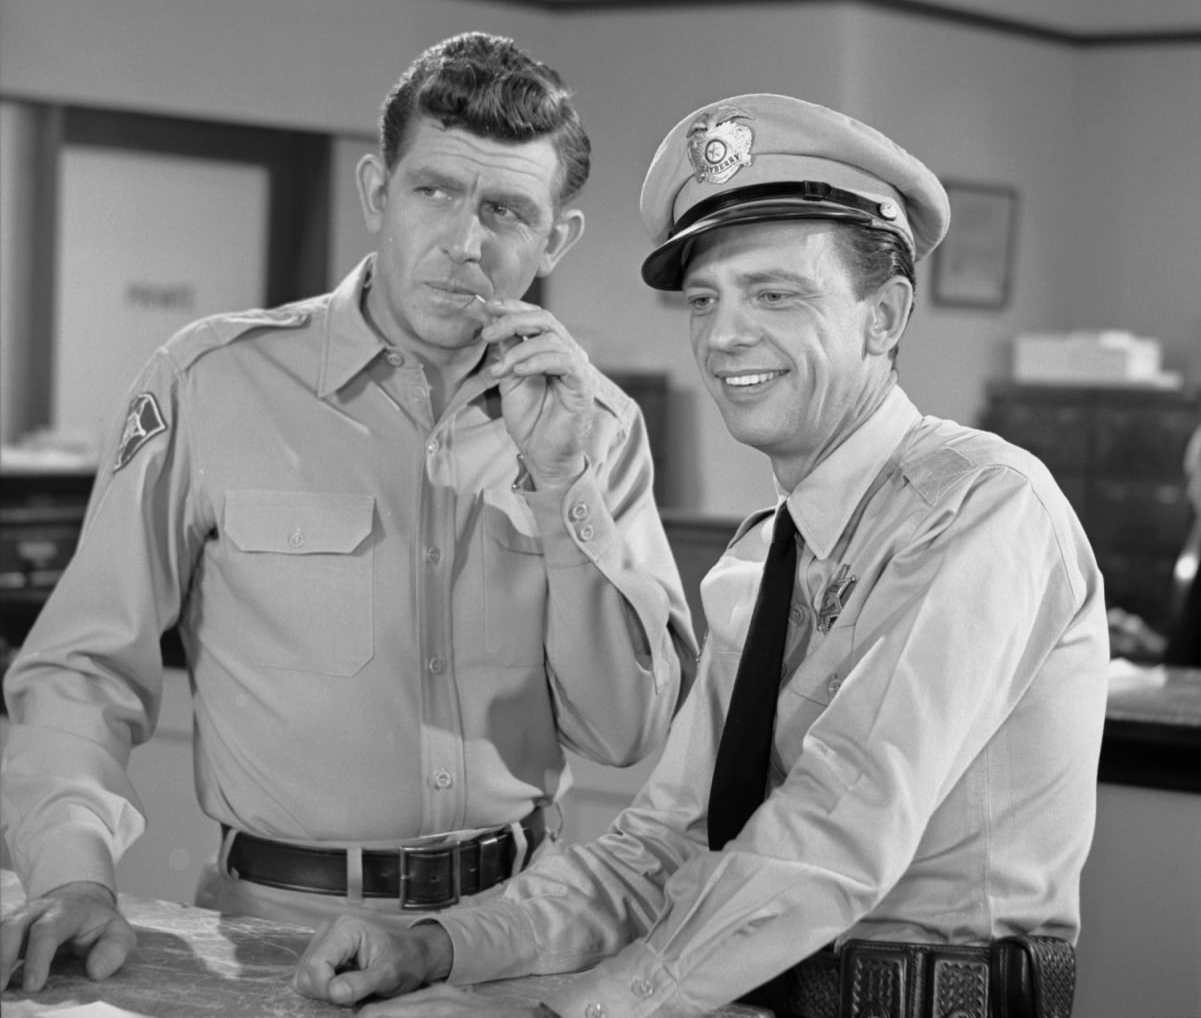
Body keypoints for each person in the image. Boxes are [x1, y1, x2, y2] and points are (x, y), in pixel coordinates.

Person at [291, 94, 1110, 1018]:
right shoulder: (763, 561)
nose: (723, 337)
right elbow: (658, 853)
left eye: (774, 294)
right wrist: (437, 947)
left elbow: (836, 830)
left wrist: (567, 1016)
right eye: (704, 299)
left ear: (882, 315)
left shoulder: (981, 507)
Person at [0, 32, 698, 993]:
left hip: (514, 942)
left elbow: (624, 732)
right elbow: (82, 668)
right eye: (434, 191)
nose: (465, 241)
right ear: (377, 192)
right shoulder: (209, 382)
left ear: (555, 239)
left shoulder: (599, 428)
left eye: (505, 210)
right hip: (274, 940)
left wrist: (562, 483)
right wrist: (71, 874)